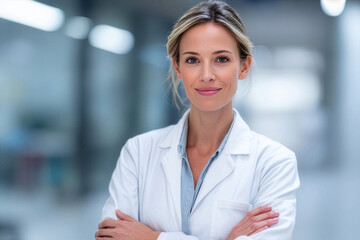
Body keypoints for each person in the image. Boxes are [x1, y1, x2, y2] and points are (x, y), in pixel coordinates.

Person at [95, 1, 300, 239]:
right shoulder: (138, 152)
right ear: (178, 68)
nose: (206, 75)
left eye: (221, 59)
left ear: (244, 67)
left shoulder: (274, 162)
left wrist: (152, 237)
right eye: (193, 60)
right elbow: (111, 236)